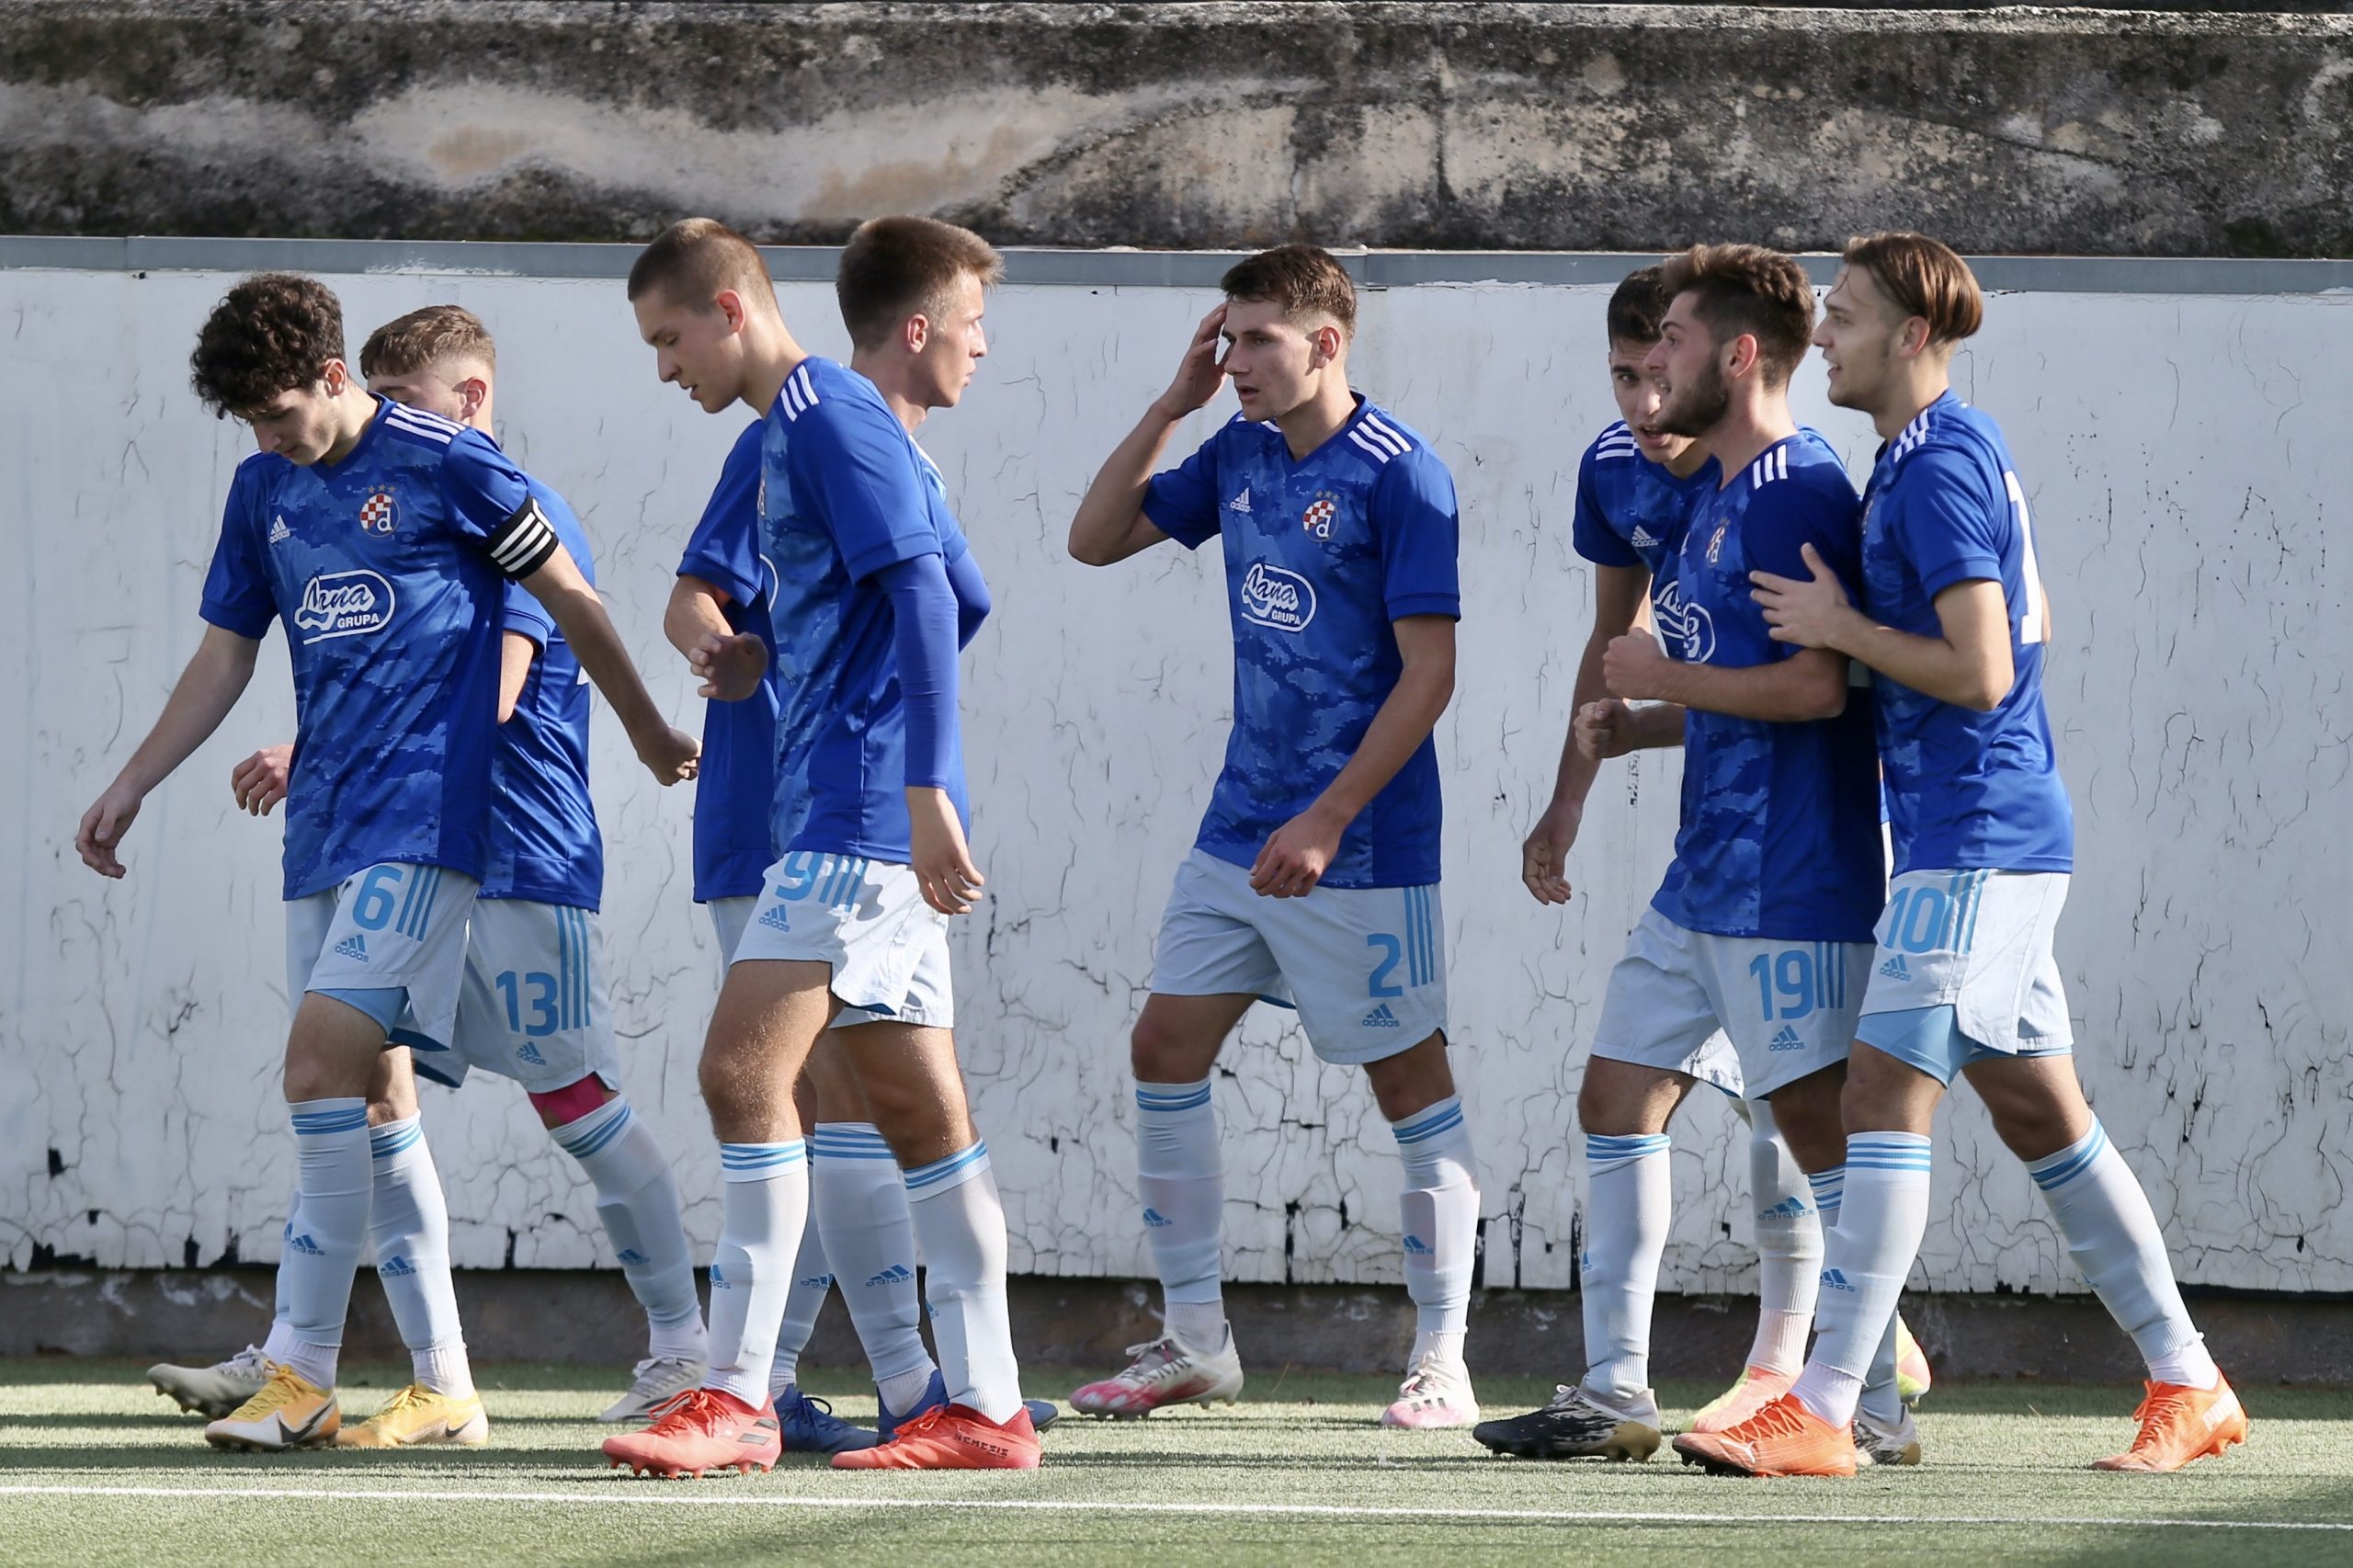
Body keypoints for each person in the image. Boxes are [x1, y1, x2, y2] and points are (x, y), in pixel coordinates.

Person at [78, 274, 697, 1452]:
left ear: (331, 376)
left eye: (277, 413)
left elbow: (562, 600)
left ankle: (672, 1348)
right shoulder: (265, 489)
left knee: (525, 1092)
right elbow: (222, 658)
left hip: (463, 833)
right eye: (248, 425)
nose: (266, 441)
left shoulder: (457, 466)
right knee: (360, 1089)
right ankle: (435, 1378)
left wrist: (652, 728)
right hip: (329, 832)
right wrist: (131, 781)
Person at [1677, 233, 2246, 1478]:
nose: (1823, 332)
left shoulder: (1935, 466)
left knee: (1878, 1095)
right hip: (1973, 837)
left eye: (1847, 313)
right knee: (2047, 1117)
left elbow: (1983, 670)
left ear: (1914, 337)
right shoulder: (1914, 464)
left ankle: (1827, 1400)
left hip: (1978, 839)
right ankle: (2190, 1377)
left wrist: (1837, 625)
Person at [608, 216, 1038, 1474]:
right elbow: (962, 593)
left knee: (742, 1076)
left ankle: (739, 1392)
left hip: (850, 821)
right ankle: (989, 1407)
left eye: (668, 336)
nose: (665, 364)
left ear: (731, 309)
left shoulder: (822, 413)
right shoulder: (844, 424)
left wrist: (920, 784)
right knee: (917, 1111)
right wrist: (789, 655)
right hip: (856, 818)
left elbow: (919, 593)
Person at [1475, 244, 1891, 1464]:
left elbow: (1819, 688)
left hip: (1790, 877)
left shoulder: (1798, 487)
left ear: (1737, 355)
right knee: (1616, 1094)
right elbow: (1731, 684)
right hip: (1703, 868)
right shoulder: (1706, 488)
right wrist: (1643, 723)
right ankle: (1613, 1391)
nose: (1650, 366)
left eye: (1671, 343)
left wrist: (1661, 679)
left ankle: (1867, 1390)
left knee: (1813, 1130)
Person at [1065, 244, 1480, 1429]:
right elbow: (1095, 538)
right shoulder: (1235, 450)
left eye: (1256, 340)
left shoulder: (1404, 476)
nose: (1234, 360)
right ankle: (1195, 1338)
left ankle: (1442, 1358)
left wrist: (1330, 813)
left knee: (1409, 1086)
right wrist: (1167, 405)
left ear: (1326, 343)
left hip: (1361, 841)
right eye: (1227, 337)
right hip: (1238, 825)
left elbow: (1431, 672)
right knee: (1163, 1048)